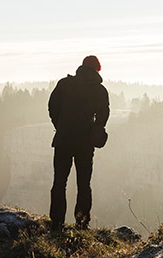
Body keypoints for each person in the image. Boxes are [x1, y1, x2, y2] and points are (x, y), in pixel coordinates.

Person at [48, 55, 110, 231]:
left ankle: (56, 224)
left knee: (59, 182)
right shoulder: (99, 90)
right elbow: (103, 114)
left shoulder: (64, 84)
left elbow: (52, 107)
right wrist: (96, 129)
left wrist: (60, 125)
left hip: (63, 140)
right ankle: (82, 224)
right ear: (97, 70)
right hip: (85, 143)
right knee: (84, 184)